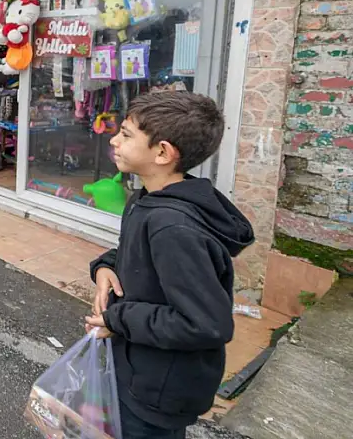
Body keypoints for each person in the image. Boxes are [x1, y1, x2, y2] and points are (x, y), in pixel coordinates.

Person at [85, 91, 254, 439]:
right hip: (138, 369)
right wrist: (105, 268)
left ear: (163, 152)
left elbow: (205, 324)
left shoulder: (172, 227)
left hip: (156, 391)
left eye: (127, 135)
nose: (114, 140)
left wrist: (117, 319)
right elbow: (132, 253)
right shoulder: (147, 198)